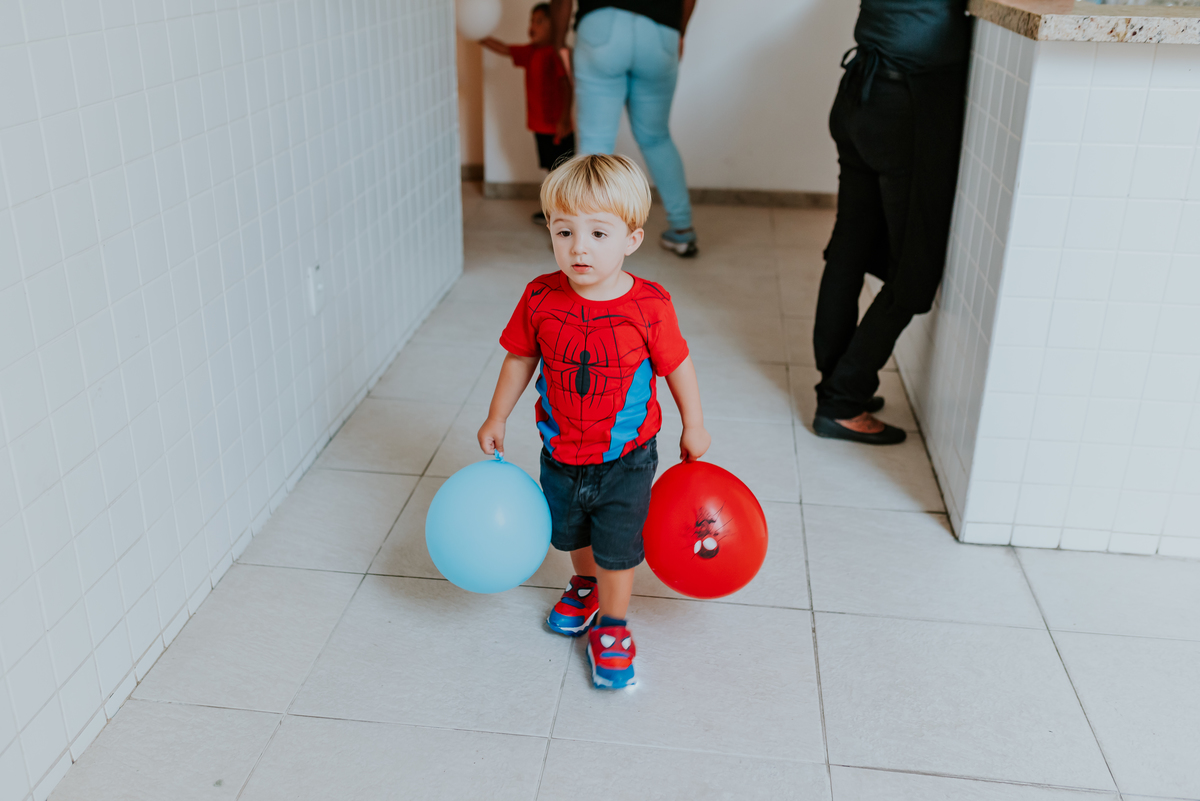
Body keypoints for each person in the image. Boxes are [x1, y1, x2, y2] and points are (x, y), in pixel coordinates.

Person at [477, 154, 710, 689]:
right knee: (569, 532)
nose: (579, 247)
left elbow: (677, 364)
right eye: (564, 231)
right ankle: (583, 584)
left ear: (631, 238)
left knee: (618, 544)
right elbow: (519, 358)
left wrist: (691, 423)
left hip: (627, 454)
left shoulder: (649, 305)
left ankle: (613, 624)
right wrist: (497, 414)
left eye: (598, 233)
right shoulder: (539, 295)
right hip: (559, 447)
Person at [811, 0, 970, 445]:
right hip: (904, 106)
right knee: (914, 273)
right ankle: (842, 401)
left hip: (861, 91)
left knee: (849, 249)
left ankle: (837, 384)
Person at [550, 0, 700, 257]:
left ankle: (586, 239)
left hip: (600, 27)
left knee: (594, 143)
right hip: (661, 33)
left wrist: (559, 42)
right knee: (656, 138)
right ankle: (682, 230)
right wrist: (679, 32)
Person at [481, 3, 575, 225]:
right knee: (550, 171)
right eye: (531, 21)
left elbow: (566, 85)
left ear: (557, 26)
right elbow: (504, 49)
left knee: (563, 175)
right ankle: (554, 214)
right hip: (539, 126)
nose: (532, 26)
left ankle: (566, 220)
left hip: (557, 128)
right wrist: (477, 34)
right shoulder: (530, 52)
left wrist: (563, 118)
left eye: (540, 21)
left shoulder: (556, 54)